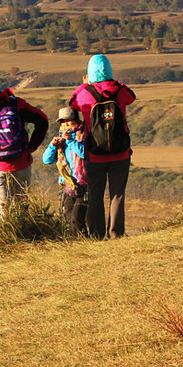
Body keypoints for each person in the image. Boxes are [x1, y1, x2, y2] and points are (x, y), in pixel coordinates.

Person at [69, 54, 137, 239]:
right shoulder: (119, 90)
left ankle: (97, 235)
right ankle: (116, 233)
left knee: (95, 195)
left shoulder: (84, 93)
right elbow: (132, 97)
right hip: (120, 153)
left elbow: (72, 103)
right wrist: (114, 82)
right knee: (117, 195)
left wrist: (85, 84)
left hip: (95, 154)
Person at [0, 75, 49, 217]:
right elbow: (42, 120)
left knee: (3, 210)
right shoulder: (16, 104)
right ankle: (25, 234)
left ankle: (7, 237)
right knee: (22, 206)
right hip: (21, 163)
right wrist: (32, 146)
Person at [42, 107, 89, 233]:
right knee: (68, 216)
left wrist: (71, 140)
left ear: (76, 122)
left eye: (69, 121)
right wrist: (52, 146)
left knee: (77, 217)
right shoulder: (60, 140)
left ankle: (82, 241)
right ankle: (77, 241)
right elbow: (46, 160)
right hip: (68, 185)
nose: (65, 125)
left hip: (83, 183)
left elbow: (85, 154)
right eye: (63, 122)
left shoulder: (83, 136)